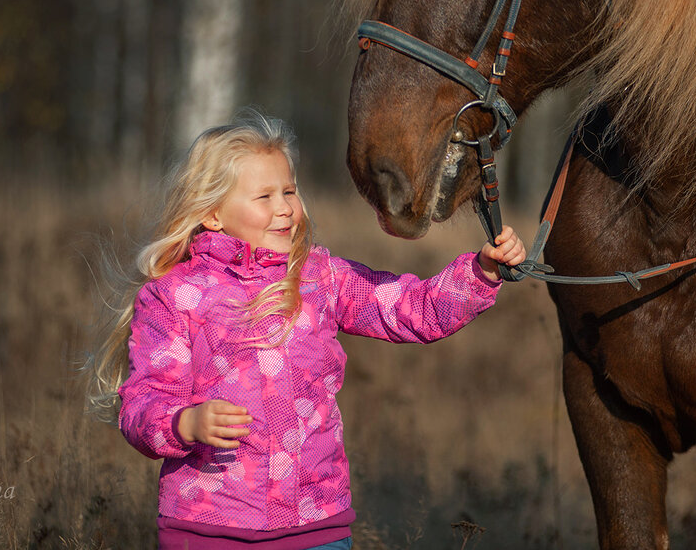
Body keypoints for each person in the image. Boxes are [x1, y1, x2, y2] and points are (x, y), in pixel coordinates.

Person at [88, 109, 525, 550]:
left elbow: (413, 309)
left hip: (317, 527)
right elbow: (143, 403)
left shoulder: (319, 276)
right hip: (210, 528)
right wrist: (185, 423)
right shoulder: (174, 295)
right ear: (213, 214)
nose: (284, 209)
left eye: (289, 191)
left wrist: (480, 272)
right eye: (264, 197)